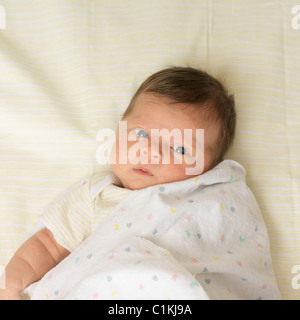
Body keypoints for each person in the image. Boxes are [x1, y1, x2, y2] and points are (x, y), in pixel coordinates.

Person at [1, 67, 276, 300]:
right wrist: (11, 286)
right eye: (142, 133)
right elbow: (49, 245)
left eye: (180, 149)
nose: (152, 152)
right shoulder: (96, 196)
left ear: (208, 171)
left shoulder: (211, 203)